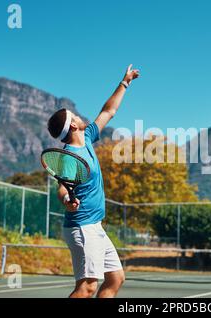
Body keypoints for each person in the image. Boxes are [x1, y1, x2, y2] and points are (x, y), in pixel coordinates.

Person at [47, 65, 140, 298]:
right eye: (75, 115)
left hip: (95, 225)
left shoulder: (87, 138)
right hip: (82, 226)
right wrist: (68, 199)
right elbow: (61, 188)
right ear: (74, 125)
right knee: (87, 287)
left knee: (116, 278)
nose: (80, 115)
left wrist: (125, 82)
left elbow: (109, 111)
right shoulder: (71, 157)